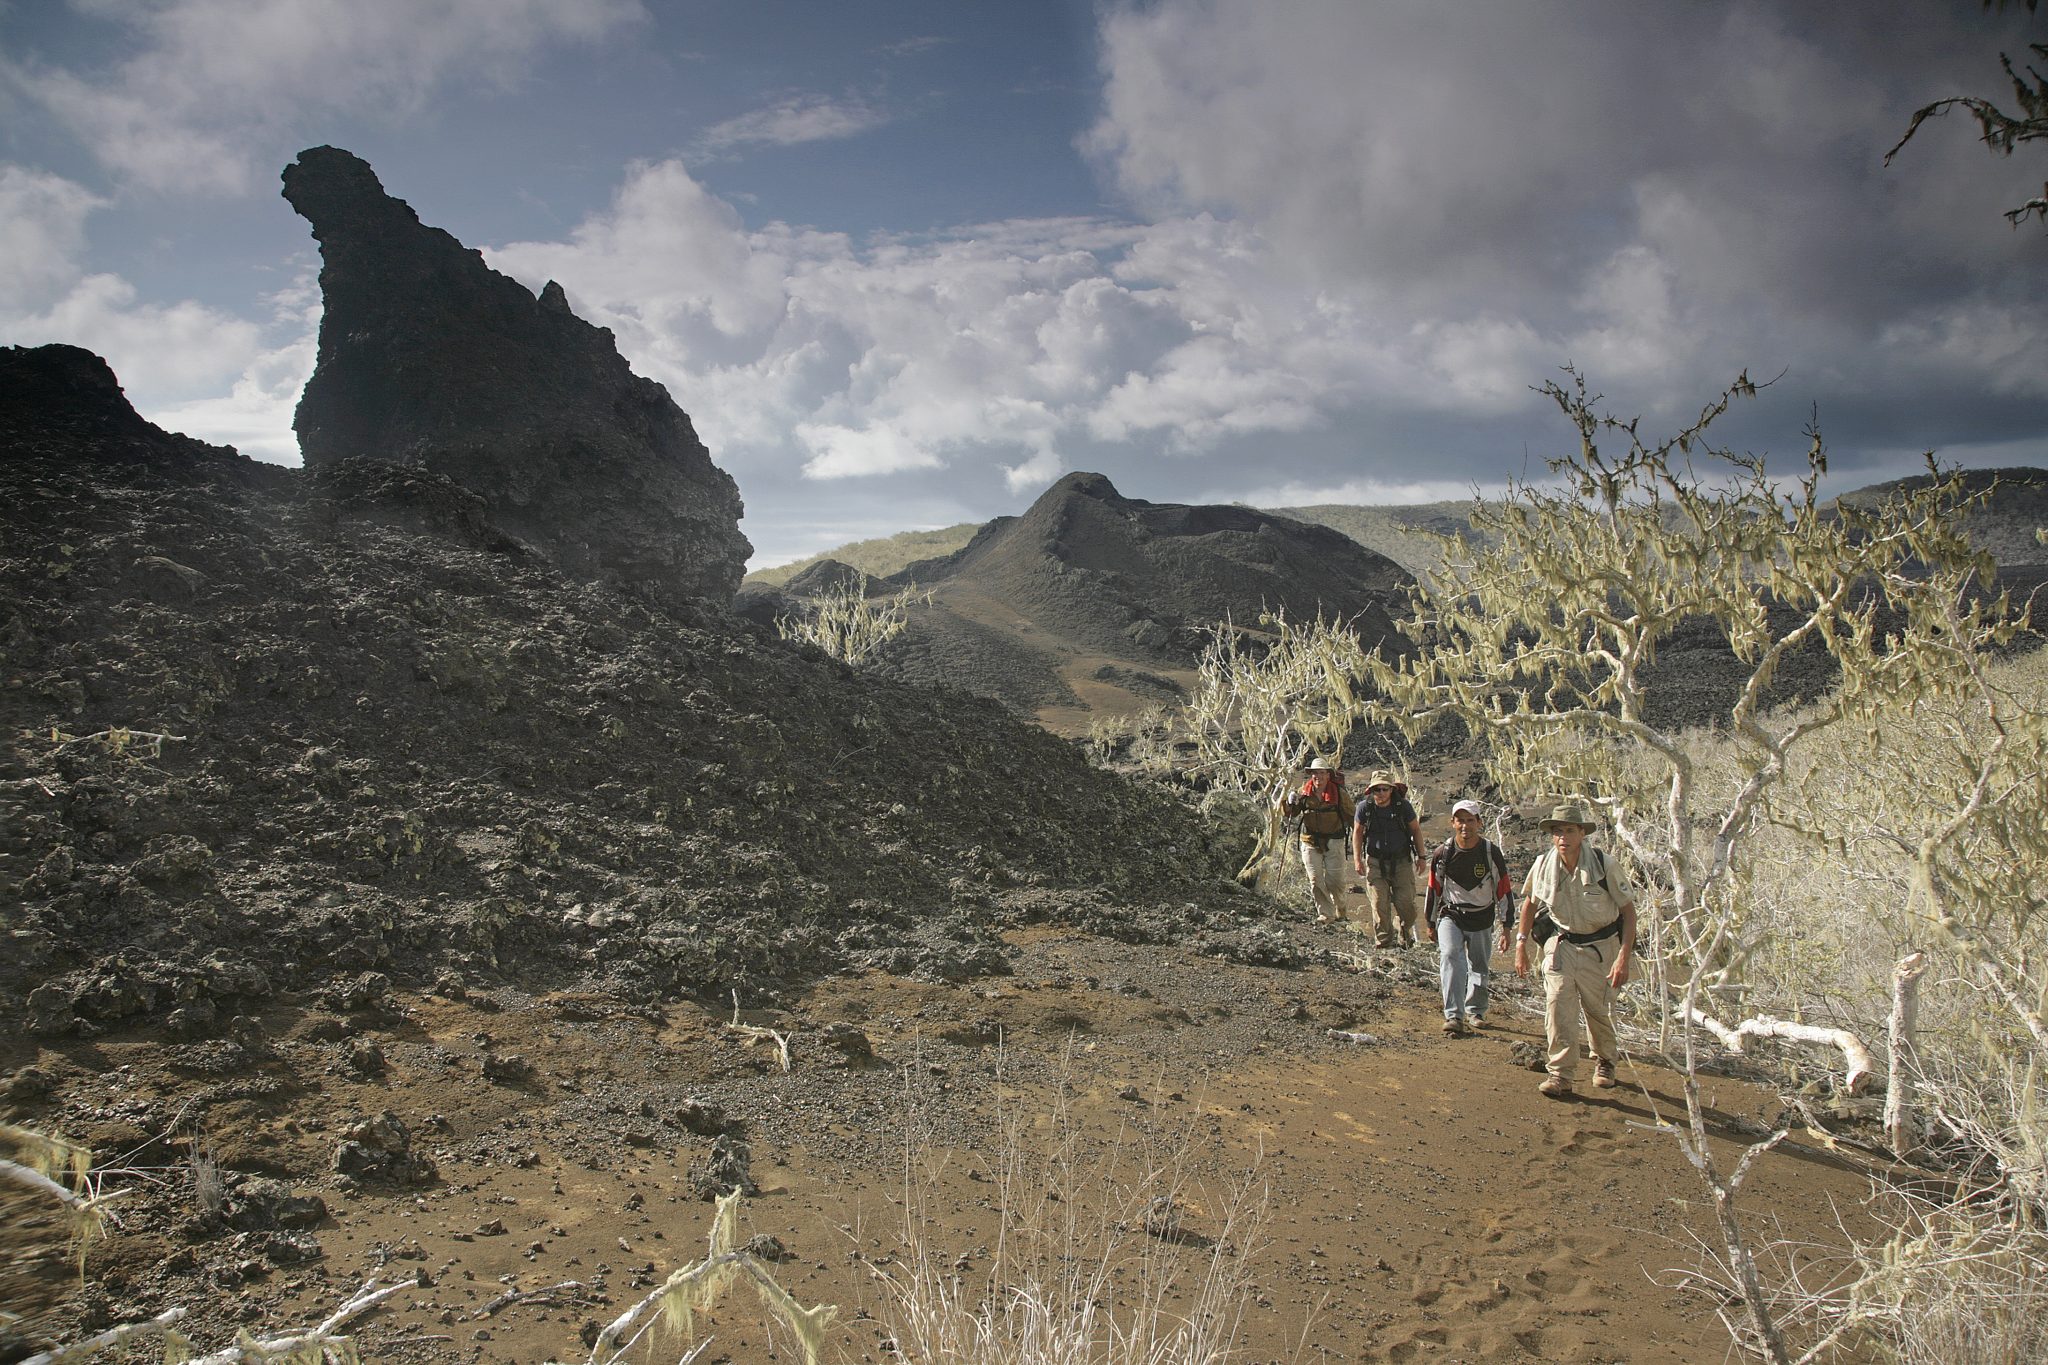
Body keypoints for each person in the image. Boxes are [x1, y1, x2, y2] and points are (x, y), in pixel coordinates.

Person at [1514, 800, 1639, 1099]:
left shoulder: (1603, 864)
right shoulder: (1544, 865)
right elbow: (1529, 904)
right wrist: (1521, 944)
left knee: (1598, 1010)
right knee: (1557, 1005)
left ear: (1582, 833)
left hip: (1601, 947)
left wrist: (1623, 956)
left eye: (1569, 831)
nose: (1563, 838)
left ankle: (1605, 1061)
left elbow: (1629, 912)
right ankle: (1560, 1074)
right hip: (1562, 945)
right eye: (1557, 831)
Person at [1424, 798, 1517, 1035]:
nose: (1465, 826)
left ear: (1479, 823)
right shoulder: (1443, 853)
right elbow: (1433, 888)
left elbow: (1503, 889)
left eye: (1470, 820)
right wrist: (1431, 922)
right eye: (1460, 821)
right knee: (1450, 955)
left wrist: (1506, 926)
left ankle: (1476, 1011)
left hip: (1482, 918)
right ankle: (1454, 1015)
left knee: (1479, 966)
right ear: (1452, 823)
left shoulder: (1490, 853)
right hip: (1452, 915)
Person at [1352, 769, 1425, 948]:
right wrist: (1357, 859)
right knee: (1379, 904)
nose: (1381, 793)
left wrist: (1421, 856)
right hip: (1375, 862)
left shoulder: (1403, 807)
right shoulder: (1365, 808)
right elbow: (1358, 832)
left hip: (1402, 862)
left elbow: (1415, 830)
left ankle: (1403, 929)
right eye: (1377, 789)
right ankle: (1384, 943)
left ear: (1392, 790)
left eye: (1385, 789)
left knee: (1406, 904)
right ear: (1371, 791)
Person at [1280, 758, 1350, 924]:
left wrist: (1359, 837)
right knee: (1315, 879)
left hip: (1334, 840)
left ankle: (1341, 909)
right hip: (1310, 841)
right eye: (1315, 773)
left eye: (1322, 772)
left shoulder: (1339, 793)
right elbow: (1291, 813)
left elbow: (1351, 814)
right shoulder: (1304, 792)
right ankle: (1326, 914)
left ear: (1328, 774)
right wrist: (1287, 801)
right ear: (1311, 774)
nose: (1318, 776)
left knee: (1335, 881)